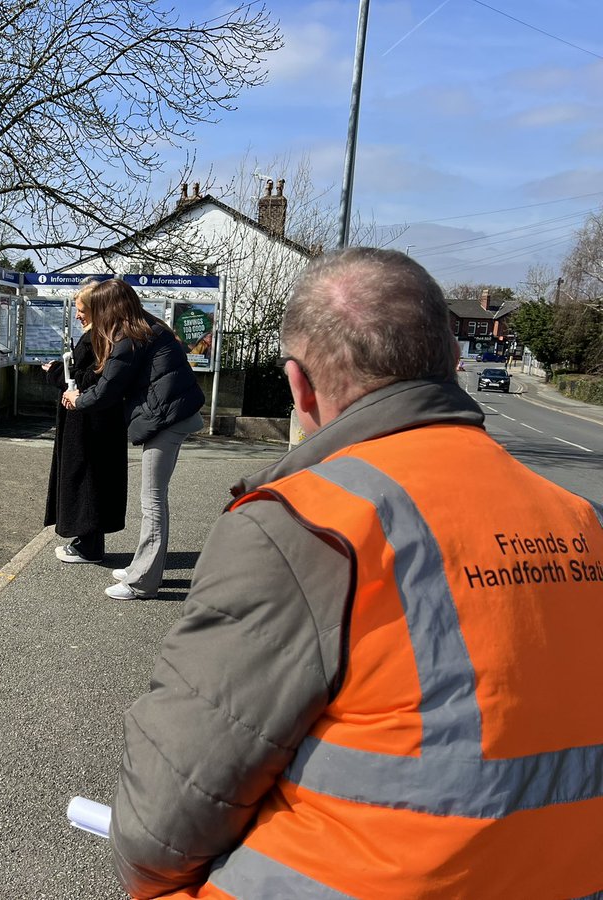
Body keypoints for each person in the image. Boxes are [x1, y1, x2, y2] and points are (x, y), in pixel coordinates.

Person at [110, 248, 603, 899]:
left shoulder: (301, 524)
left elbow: (159, 833)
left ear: (299, 386)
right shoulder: (582, 521)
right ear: (453, 364)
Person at [62, 279, 204, 600]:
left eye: (97, 306)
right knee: (153, 500)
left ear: (110, 306)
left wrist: (76, 399)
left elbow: (108, 389)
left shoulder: (128, 337)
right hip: (175, 413)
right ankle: (142, 568)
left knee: (152, 502)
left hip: (166, 420)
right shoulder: (147, 326)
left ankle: (142, 582)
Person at [42, 281, 128, 563]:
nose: (78, 315)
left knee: (86, 479)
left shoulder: (98, 338)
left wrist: (55, 372)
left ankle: (88, 546)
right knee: (89, 478)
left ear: (97, 310)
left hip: (87, 423)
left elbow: (88, 379)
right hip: (91, 419)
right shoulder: (104, 335)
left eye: (82, 310)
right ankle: (85, 540)